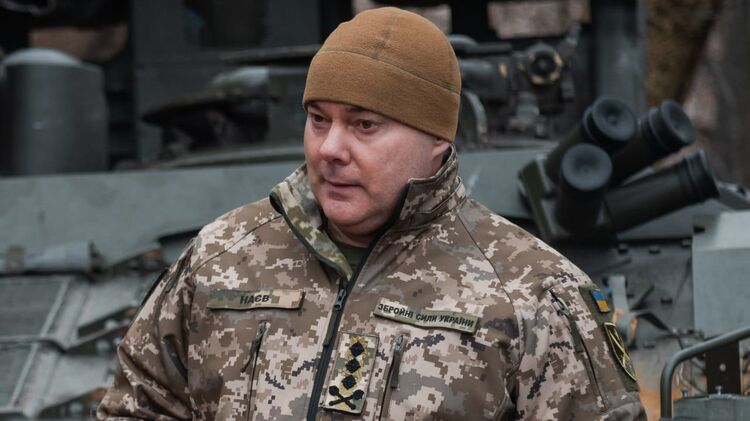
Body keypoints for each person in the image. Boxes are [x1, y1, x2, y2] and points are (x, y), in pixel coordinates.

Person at [98, 7, 645, 420]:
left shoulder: (534, 292)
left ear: (436, 137)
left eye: (364, 125)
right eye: (319, 119)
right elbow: (136, 408)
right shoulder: (222, 255)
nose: (330, 148)